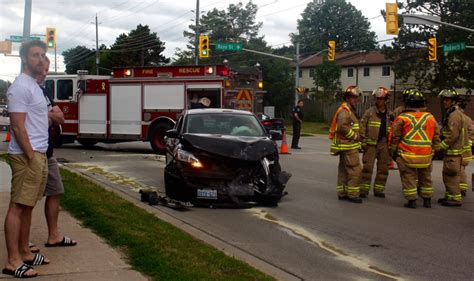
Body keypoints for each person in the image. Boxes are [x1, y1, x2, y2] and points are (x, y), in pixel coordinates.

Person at [3, 40, 50, 278]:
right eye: (35, 55)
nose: (40, 59)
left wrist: (37, 155)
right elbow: (18, 127)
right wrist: (31, 156)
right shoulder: (20, 86)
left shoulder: (33, 85)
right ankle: (13, 261)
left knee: (28, 206)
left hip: (38, 153)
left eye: (43, 55)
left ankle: (25, 251)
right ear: (24, 59)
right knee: (18, 207)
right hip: (26, 155)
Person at [37, 57, 77, 248]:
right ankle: (21, 242)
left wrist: (49, 116)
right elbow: (32, 120)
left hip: (48, 153)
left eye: (47, 70)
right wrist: (48, 116)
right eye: (42, 69)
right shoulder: (27, 91)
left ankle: (54, 236)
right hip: (33, 153)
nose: (44, 73)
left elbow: (60, 117)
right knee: (25, 201)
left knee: (56, 191)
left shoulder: (44, 91)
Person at [390, 90, 440, 208]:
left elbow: (395, 137)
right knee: (426, 178)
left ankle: (412, 201)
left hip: (407, 155)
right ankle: (427, 200)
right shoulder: (430, 117)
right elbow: (436, 135)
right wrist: (436, 149)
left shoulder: (402, 117)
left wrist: (393, 152)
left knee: (409, 177)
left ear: (408, 103)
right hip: (426, 156)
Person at [328, 86, 363, 203]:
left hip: (345, 145)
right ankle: (353, 195)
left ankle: (342, 193)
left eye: (356, 97)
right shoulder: (345, 111)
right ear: (347, 98)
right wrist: (355, 136)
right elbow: (343, 127)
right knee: (355, 170)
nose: (356, 100)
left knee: (343, 170)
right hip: (348, 146)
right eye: (353, 97)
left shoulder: (349, 110)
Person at [437, 89, 469, 207]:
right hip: (451, 153)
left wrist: (441, 146)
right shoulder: (452, 112)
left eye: (447, 100)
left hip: (453, 153)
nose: (444, 102)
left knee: (451, 176)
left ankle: (455, 199)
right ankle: (449, 196)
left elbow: (453, 135)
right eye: (444, 99)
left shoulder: (454, 115)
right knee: (448, 176)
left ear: (453, 101)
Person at [359, 87, 391, 198]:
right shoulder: (369, 112)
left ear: (386, 99)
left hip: (384, 144)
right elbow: (362, 127)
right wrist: (362, 142)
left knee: (383, 169)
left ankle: (379, 190)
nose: (380, 101)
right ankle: (363, 190)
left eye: (382, 99)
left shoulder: (390, 114)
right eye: (378, 98)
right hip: (370, 145)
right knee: (367, 168)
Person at [457, 93, 473, 196]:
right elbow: (471, 135)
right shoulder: (468, 119)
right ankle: (460, 187)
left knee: (460, 169)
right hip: (466, 151)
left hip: (462, 151)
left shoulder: (459, 118)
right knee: (460, 169)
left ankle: (462, 188)